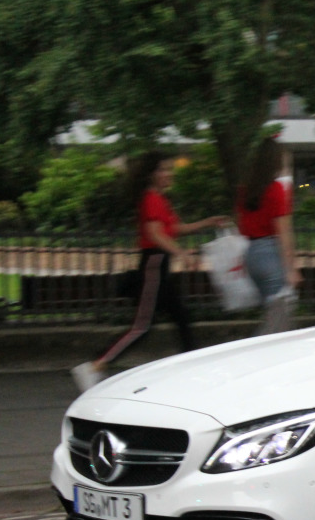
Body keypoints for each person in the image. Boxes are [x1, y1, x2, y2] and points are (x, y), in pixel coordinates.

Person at [71, 152, 224, 392]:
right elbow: (155, 234)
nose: (169, 174)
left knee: (181, 317)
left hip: (159, 264)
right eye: (164, 170)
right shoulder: (150, 198)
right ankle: (95, 366)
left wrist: (207, 222)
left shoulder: (160, 200)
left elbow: (174, 229)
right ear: (152, 175)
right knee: (141, 327)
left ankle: (193, 369)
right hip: (153, 264)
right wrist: (182, 254)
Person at [237, 136, 301, 335]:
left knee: (274, 315)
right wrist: (291, 269)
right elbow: (284, 232)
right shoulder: (276, 190)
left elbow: (241, 225)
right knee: (278, 323)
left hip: (252, 254)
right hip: (271, 255)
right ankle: (252, 359)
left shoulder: (244, 191)